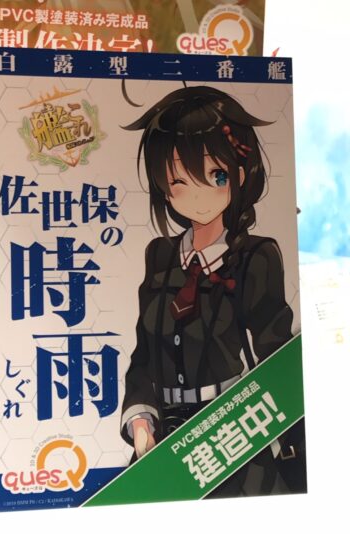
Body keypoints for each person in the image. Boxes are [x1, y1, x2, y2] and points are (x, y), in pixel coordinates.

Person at [120, 85, 306, 495]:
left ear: (239, 174)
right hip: (165, 438)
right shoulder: (160, 256)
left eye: (215, 176)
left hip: (233, 432)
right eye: (179, 181)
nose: (198, 195)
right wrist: (140, 422)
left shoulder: (256, 256)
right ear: (164, 187)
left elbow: (276, 353)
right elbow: (143, 356)